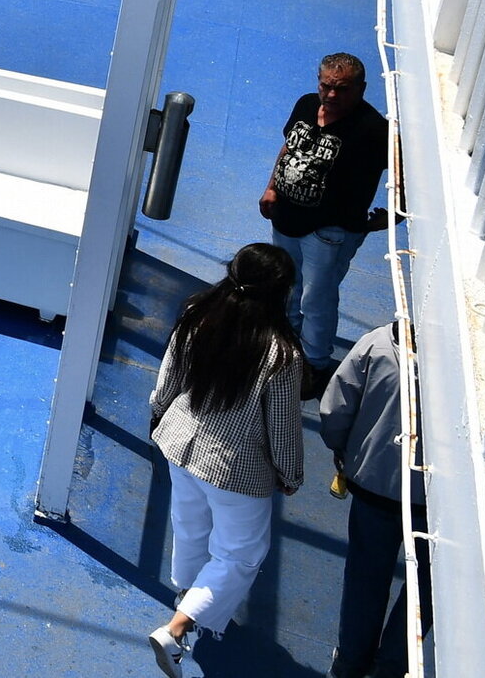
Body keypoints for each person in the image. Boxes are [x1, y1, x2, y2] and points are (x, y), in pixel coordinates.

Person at [147, 243, 306, 677]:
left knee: (190, 525)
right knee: (239, 555)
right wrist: (290, 475)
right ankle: (177, 629)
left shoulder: (197, 314)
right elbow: (282, 428)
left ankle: (187, 594)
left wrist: (159, 413)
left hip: (180, 443)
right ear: (281, 292)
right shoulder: (282, 355)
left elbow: (170, 378)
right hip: (237, 468)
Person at [259, 53, 389, 395]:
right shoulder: (306, 104)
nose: (331, 95)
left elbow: (408, 172)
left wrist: (394, 216)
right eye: (326, 86)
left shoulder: (374, 130)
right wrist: (271, 187)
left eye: (342, 89)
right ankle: (287, 346)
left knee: (316, 300)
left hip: (330, 231)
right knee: (287, 285)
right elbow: (289, 147)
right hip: (286, 218)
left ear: (361, 89)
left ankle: (314, 365)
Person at [321, 322, 428, 678]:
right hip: (433, 503)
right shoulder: (459, 373)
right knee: (424, 589)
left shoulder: (378, 344)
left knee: (365, 580)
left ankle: (349, 664)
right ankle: (391, 668)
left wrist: (344, 450)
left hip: (374, 484)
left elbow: (335, 409)